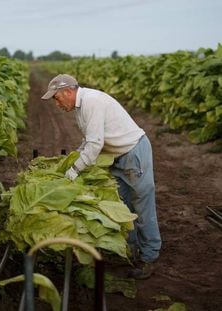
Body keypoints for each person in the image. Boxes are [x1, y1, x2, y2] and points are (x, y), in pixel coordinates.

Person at [41, 74, 162, 279]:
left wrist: (74, 170)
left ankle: (149, 256)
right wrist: (73, 159)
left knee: (142, 205)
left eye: (57, 98)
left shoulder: (92, 102)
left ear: (68, 92)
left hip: (133, 153)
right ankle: (129, 250)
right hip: (116, 157)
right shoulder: (80, 108)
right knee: (122, 207)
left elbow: (95, 144)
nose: (57, 103)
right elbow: (88, 140)